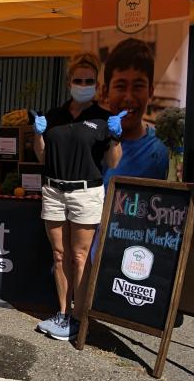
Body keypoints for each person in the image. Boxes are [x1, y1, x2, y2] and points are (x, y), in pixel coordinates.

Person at [33, 53, 125, 341]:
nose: (83, 84)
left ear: (96, 84)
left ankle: (78, 318)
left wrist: (116, 137)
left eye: (88, 81)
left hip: (86, 192)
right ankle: (62, 313)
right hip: (53, 190)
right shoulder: (54, 116)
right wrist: (37, 135)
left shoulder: (103, 118)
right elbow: (42, 156)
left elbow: (113, 163)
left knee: (80, 256)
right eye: (78, 80)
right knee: (59, 255)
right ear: (68, 82)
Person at [102, 38, 169, 186]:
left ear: (150, 92)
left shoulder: (163, 151)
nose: (129, 97)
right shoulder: (92, 144)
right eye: (120, 86)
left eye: (138, 86)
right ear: (105, 93)